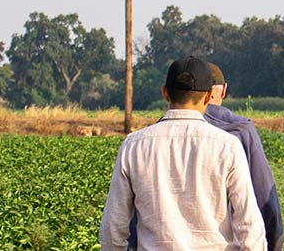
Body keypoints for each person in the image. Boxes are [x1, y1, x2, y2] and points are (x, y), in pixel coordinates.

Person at [100, 56, 266, 250]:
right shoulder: (227, 146)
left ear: (165, 93)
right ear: (207, 97)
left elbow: (113, 227)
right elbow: (250, 227)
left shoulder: (134, 146)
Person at [204, 63, 284, 250]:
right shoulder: (240, 131)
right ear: (223, 91)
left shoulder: (154, 135)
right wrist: (274, 244)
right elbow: (264, 197)